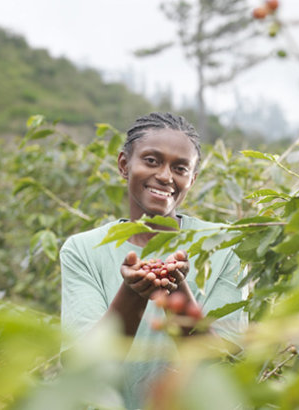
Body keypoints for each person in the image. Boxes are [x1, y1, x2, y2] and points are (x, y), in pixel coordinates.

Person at [60, 112, 248, 409]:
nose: (165, 175)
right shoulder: (83, 250)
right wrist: (132, 292)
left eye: (180, 168)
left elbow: (225, 364)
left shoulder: (226, 245)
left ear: (192, 178)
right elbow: (85, 367)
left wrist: (176, 291)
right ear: (124, 164)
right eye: (151, 160)